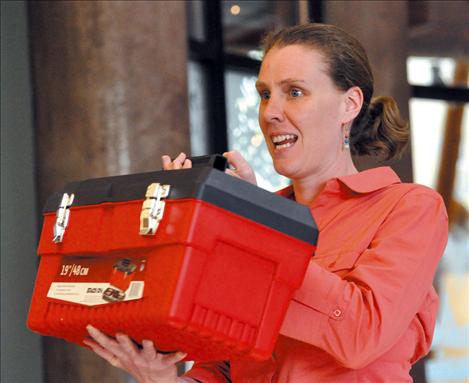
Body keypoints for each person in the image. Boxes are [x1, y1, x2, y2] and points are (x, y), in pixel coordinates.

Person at [84, 23, 448, 382]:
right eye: (264, 94)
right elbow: (221, 368)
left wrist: (256, 229)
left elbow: (360, 334)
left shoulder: (409, 208)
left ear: (349, 105)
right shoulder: (251, 223)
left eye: (294, 92)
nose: (270, 112)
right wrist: (161, 376)